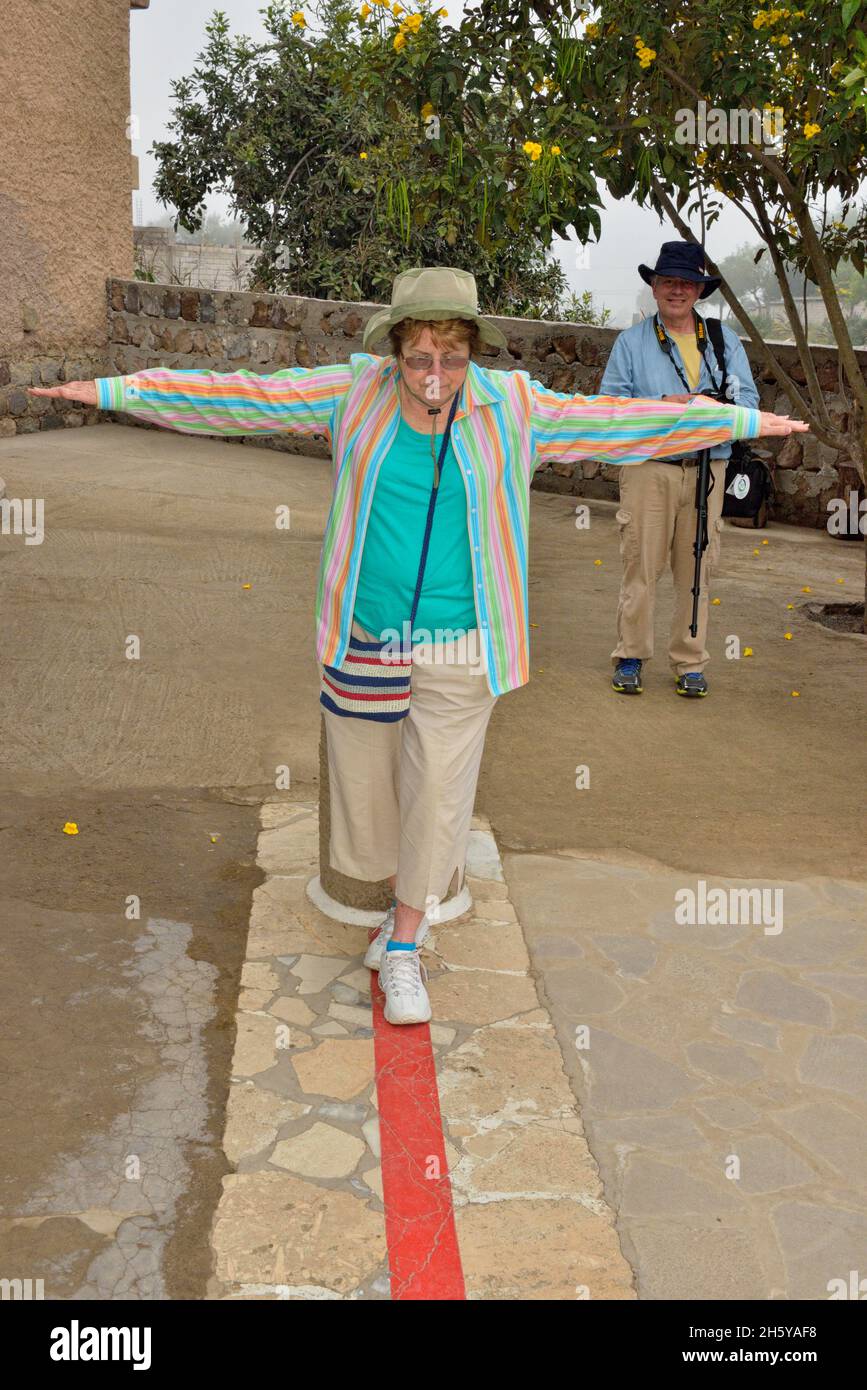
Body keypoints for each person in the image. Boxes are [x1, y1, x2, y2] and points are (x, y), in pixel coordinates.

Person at [29, 265, 807, 1026]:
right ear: (395, 349)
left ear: (473, 350)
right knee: (365, 787)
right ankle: (387, 902)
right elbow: (241, 395)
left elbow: (625, 420)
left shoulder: (511, 405)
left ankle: (406, 935)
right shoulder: (354, 392)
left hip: (462, 636)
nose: (436, 375)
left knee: (438, 786)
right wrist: (111, 391)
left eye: (452, 356)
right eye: (419, 357)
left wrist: (738, 422)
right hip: (367, 630)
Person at [600, 240, 761, 698]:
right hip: (650, 467)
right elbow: (611, 406)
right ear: (654, 287)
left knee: (697, 569)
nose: (677, 291)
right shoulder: (630, 343)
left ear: (698, 291)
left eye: (686, 283)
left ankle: (690, 662)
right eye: (668, 281)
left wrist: (711, 409)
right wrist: (663, 406)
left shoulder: (724, 341)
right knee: (641, 567)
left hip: (709, 469)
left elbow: (748, 403)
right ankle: (630, 656)